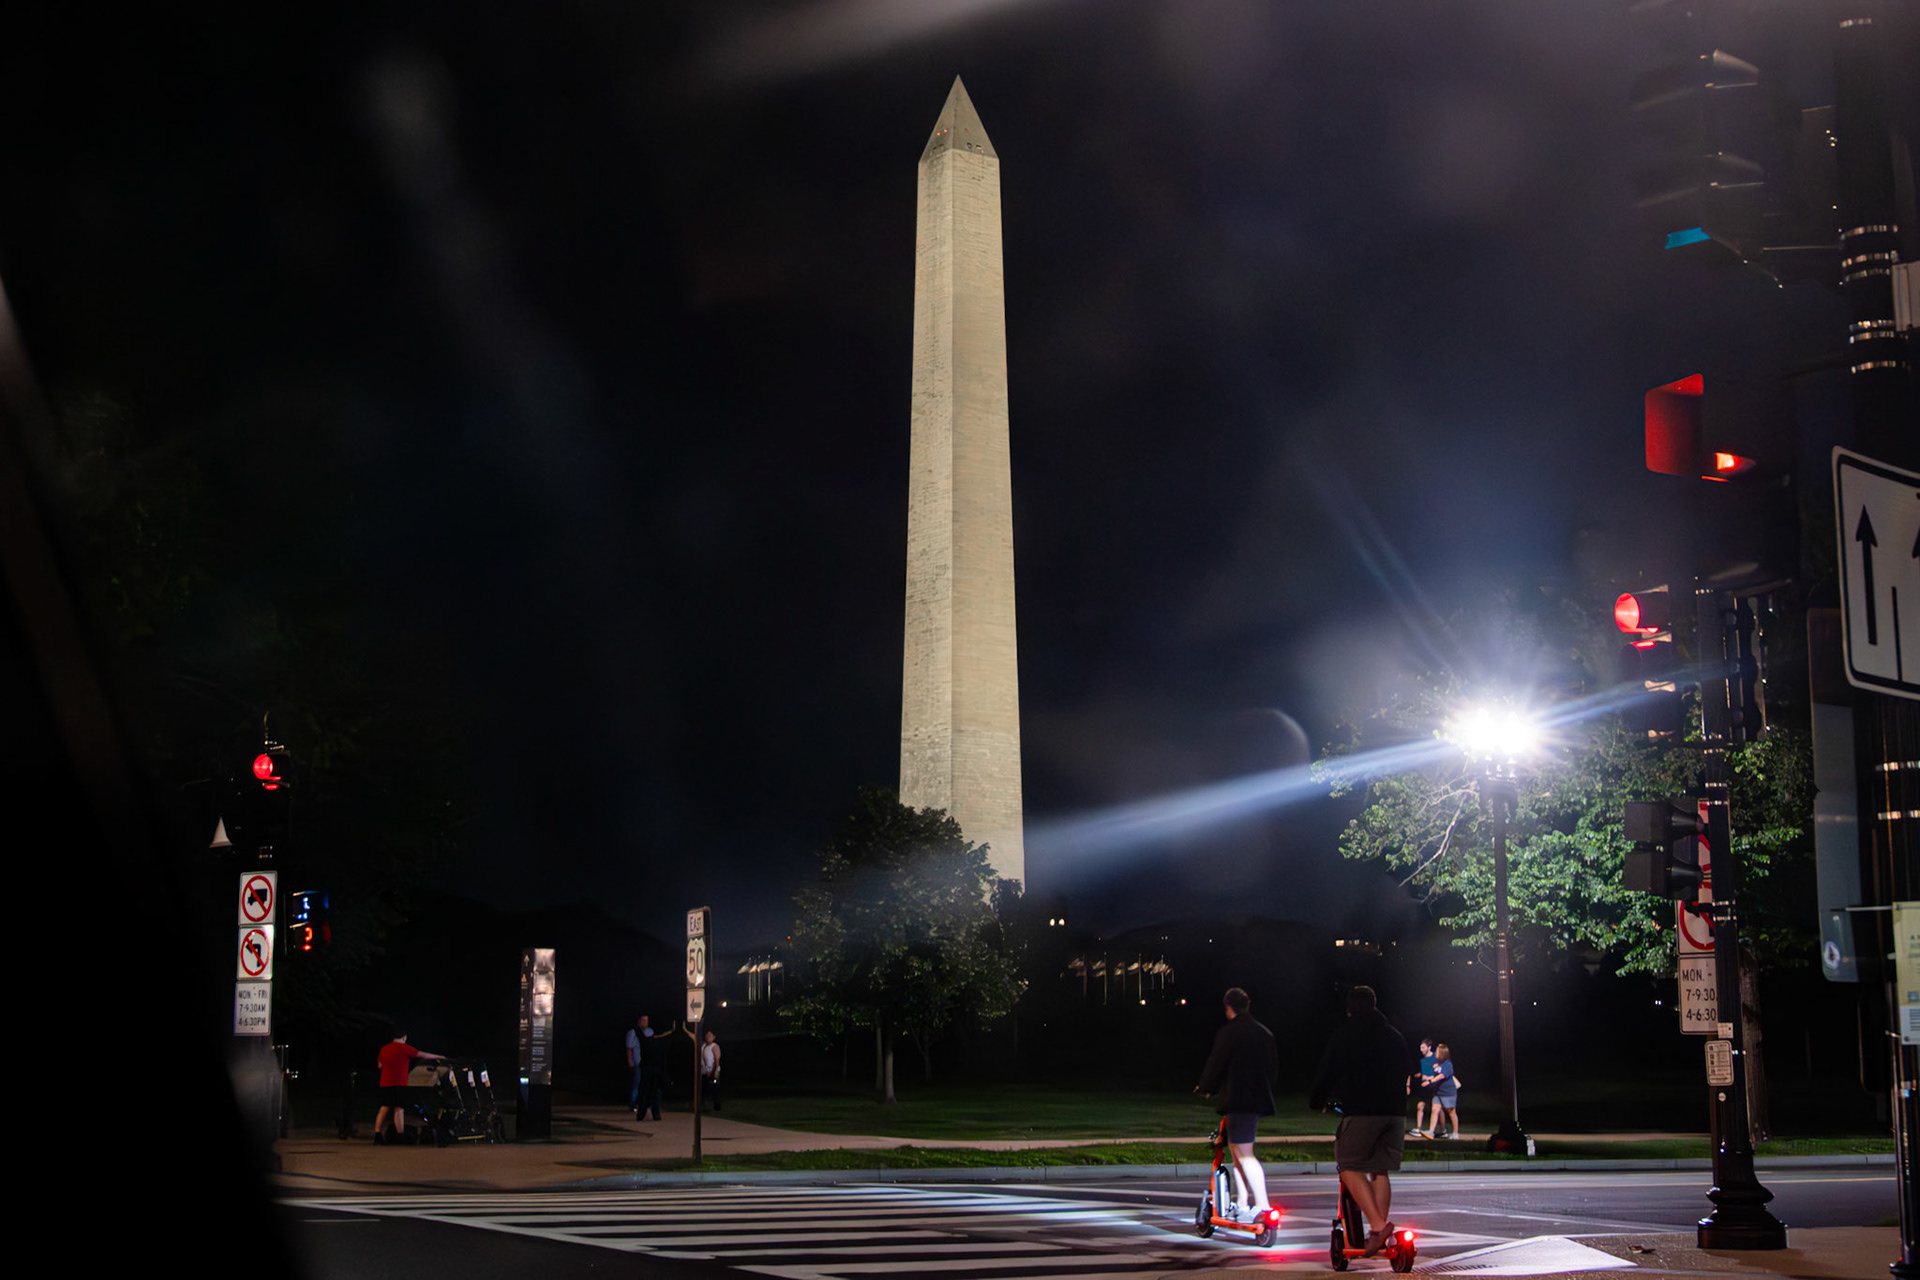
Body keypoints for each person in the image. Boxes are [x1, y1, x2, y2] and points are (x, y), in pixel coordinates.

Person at [1308, 985, 1413, 1257]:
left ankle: (1380, 1225)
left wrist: (1317, 1100)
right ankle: (1378, 1235)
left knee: (1348, 1166)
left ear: (1350, 1008)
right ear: (1375, 1004)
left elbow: (1328, 1071)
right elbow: (1405, 1071)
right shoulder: (1395, 1036)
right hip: (1395, 1113)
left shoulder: (1346, 1035)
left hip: (1364, 1111)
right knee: (1380, 1170)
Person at [1193, 986, 1279, 1224]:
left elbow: (1216, 1063)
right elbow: (1273, 1069)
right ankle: (1242, 1201)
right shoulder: (1264, 1033)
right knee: (1236, 1150)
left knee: (1245, 1152)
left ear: (1228, 1007)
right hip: (1258, 1099)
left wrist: (1206, 1087)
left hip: (1238, 1099)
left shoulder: (1229, 1033)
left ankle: (1263, 1205)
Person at [373, 1031, 445, 1145]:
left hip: (385, 1082)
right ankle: (400, 1135)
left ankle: (377, 1135)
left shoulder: (384, 1049)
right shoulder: (405, 1048)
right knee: (399, 1109)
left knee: (384, 1108)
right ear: (404, 1037)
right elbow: (423, 1055)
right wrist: (439, 1057)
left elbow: (380, 1065)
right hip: (400, 1082)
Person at [1408, 1038, 1439, 1139]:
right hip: (1424, 1086)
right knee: (1420, 1106)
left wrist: (1430, 1078)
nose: (1421, 1049)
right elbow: (1426, 1071)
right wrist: (1421, 1075)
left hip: (1434, 1086)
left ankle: (1442, 1130)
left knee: (1438, 1110)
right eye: (1420, 1047)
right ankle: (1418, 1127)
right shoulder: (1422, 1060)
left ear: (1429, 1047)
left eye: (1423, 1047)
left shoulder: (1436, 1057)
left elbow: (1439, 1071)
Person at [625, 1015, 655, 1116]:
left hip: (649, 1062)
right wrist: (630, 1062)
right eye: (643, 1020)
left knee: (649, 1084)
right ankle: (633, 1105)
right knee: (636, 1084)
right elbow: (629, 1048)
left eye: (647, 1020)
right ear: (639, 1022)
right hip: (638, 1063)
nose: (645, 1022)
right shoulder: (633, 1033)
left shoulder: (650, 1032)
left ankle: (646, 1104)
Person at [1431, 1043, 1460, 1139]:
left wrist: (1432, 1080)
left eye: (1437, 1052)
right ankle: (1431, 1131)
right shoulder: (1438, 1064)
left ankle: (1455, 1133)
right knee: (1435, 1110)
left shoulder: (1448, 1064)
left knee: (1451, 1112)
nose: (1435, 1053)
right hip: (1438, 1093)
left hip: (1448, 1093)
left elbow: (1442, 1075)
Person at [699, 1029, 722, 1112]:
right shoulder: (703, 1046)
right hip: (704, 1071)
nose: (708, 1037)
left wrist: (716, 1071)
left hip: (712, 1071)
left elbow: (717, 1061)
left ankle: (717, 1107)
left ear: (714, 1037)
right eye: (707, 1035)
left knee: (715, 1089)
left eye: (710, 1035)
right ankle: (702, 1106)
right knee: (703, 1089)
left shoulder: (715, 1046)